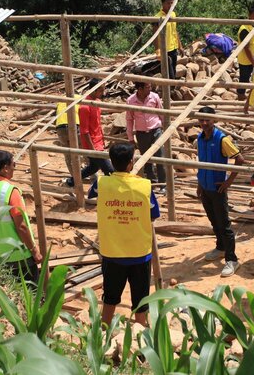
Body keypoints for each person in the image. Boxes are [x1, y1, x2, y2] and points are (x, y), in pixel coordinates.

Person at [90, 142, 160, 326]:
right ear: (131, 163)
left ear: (111, 162)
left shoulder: (102, 183)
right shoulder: (144, 186)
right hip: (139, 253)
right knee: (140, 299)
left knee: (110, 297)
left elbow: (92, 193)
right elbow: (154, 214)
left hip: (112, 253)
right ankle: (141, 332)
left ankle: (104, 332)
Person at [0, 150, 43, 284]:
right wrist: (34, 251)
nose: (14, 167)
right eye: (13, 164)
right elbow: (21, 226)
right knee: (30, 297)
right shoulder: (10, 192)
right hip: (18, 255)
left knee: (9, 295)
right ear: (5, 168)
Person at [195, 106, 246, 277]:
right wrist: (199, 183)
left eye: (207, 119)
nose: (204, 123)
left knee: (224, 224)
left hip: (217, 188)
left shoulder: (222, 140)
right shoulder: (200, 139)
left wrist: (229, 181)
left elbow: (240, 159)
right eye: (201, 120)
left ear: (214, 120)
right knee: (213, 221)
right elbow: (202, 162)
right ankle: (220, 247)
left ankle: (232, 259)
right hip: (205, 186)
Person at [66, 80, 113, 187]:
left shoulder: (96, 102)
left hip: (98, 141)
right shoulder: (85, 107)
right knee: (109, 170)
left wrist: (102, 139)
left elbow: (97, 124)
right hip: (93, 144)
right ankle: (111, 192)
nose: (103, 93)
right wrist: (92, 150)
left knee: (94, 167)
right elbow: (84, 131)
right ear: (94, 90)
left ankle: (71, 182)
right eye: (101, 90)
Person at [126, 81, 166, 183]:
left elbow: (161, 112)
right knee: (146, 158)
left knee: (160, 156)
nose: (150, 89)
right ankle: (151, 180)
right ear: (140, 89)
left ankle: (162, 184)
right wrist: (130, 138)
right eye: (147, 87)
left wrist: (165, 129)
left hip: (156, 130)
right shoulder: (131, 101)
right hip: (141, 133)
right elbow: (129, 120)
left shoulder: (154, 97)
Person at [236, 7, 254, 100]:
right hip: (246, 59)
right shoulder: (245, 29)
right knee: (244, 77)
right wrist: (253, 62)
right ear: (249, 15)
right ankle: (240, 95)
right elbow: (246, 48)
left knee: (252, 77)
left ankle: (253, 95)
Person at [55, 94, 81, 181]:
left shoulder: (60, 99)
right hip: (74, 124)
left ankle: (74, 177)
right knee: (81, 151)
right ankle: (89, 175)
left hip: (60, 127)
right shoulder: (79, 97)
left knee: (67, 155)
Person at [155, 0, 181, 79]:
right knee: (169, 73)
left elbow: (175, 31)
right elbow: (155, 35)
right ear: (162, 3)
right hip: (164, 49)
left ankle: (172, 89)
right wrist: (157, 49)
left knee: (173, 69)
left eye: (172, 3)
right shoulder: (157, 17)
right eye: (168, 3)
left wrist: (180, 46)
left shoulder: (173, 14)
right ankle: (170, 90)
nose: (170, 5)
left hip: (173, 48)